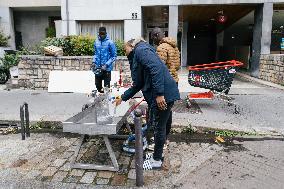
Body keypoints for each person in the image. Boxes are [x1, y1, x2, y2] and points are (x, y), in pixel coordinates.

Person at [114, 38, 180, 169]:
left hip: (163, 95)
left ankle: (156, 160)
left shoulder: (141, 49)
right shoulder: (139, 54)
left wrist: (160, 94)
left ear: (131, 45)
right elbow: (137, 84)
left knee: (158, 127)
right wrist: (122, 97)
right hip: (164, 93)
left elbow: (156, 69)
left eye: (125, 48)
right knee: (160, 126)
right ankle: (158, 154)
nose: (124, 52)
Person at [151, 27, 181, 146]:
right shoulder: (174, 46)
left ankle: (160, 141)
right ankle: (165, 137)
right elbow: (177, 66)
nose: (152, 39)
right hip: (175, 81)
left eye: (153, 36)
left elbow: (159, 69)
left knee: (161, 115)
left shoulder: (161, 48)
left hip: (165, 83)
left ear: (157, 35)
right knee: (168, 112)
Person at [92, 27, 117, 93]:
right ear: (98, 33)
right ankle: (102, 97)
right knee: (97, 85)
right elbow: (95, 53)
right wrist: (94, 62)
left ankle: (106, 99)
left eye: (103, 34)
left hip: (107, 69)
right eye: (100, 34)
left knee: (106, 87)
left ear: (106, 33)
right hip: (98, 67)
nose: (102, 35)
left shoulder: (110, 43)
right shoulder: (96, 42)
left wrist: (106, 65)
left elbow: (114, 56)